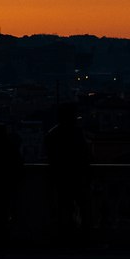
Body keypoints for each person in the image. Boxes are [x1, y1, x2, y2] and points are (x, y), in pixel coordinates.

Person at [45, 103, 92, 246]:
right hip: (76, 176)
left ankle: (65, 235)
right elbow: (85, 153)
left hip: (62, 177)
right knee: (81, 207)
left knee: (64, 207)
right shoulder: (77, 133)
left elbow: (51, 156)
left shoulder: (53, 134)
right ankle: (82, 235)